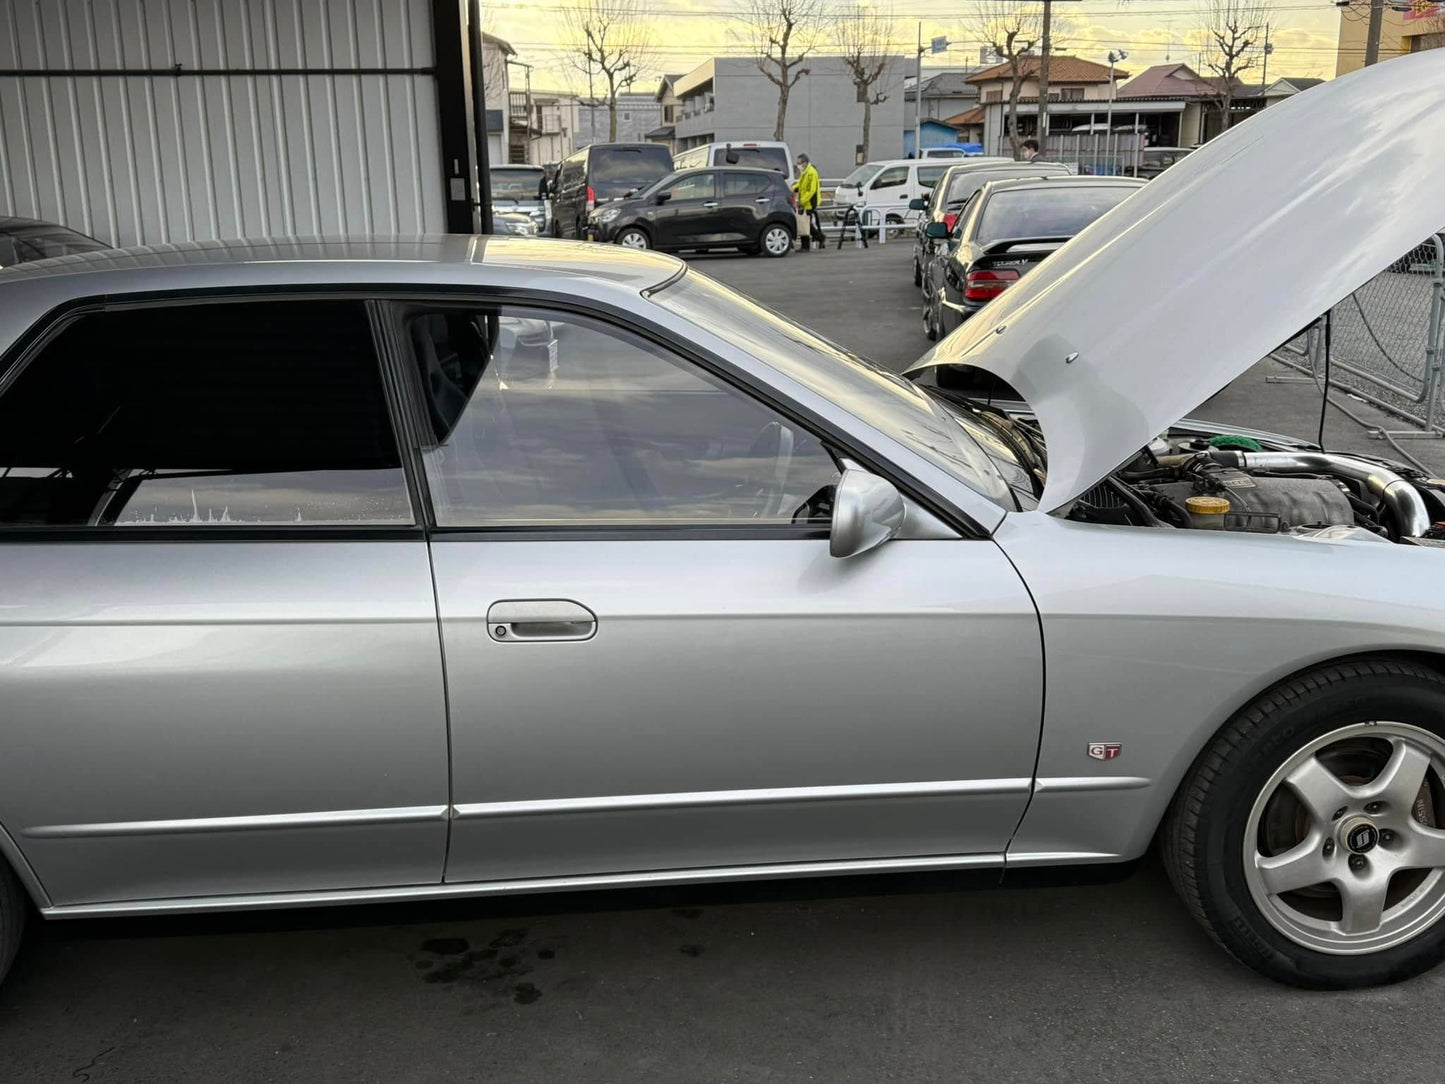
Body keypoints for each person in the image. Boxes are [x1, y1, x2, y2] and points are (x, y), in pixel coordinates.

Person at [792, 153, 825, 252]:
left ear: (805, 162)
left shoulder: (811, 173)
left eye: (799, 163)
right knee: (804, 223)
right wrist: (793, 188)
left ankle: (818, 239)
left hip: (809, 202)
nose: (798, 165)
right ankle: (808, 244)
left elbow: (811, 190)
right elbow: (800, 183)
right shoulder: (805, 172)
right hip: (805, 202)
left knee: (806, 224)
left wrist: (802, 201)